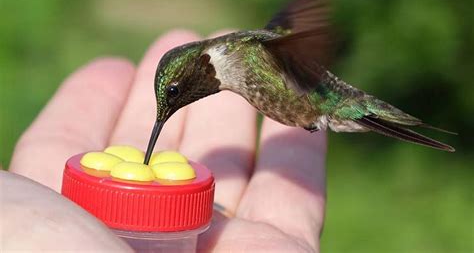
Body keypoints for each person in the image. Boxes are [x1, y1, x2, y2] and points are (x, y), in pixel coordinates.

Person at [3, 30, 327, 252]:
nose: (166, 111)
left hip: (319, 106)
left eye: (172, 95)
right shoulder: (238, 58)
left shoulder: (250, 54)